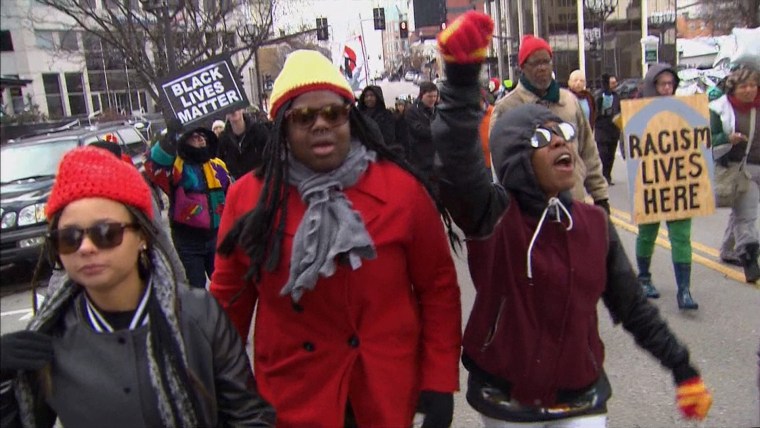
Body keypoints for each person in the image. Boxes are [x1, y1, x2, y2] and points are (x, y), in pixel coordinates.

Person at [432, 12, 713, 427]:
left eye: (564, 135)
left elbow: (633, 307)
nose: (561, 143)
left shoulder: (593, 225)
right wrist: (460, 79)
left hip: (580, 395)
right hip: (506, 395)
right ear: (516, 158)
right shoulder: (492, 217)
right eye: (543, 138)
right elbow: (458, 161)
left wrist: (682, 368)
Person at [209, 49, 462, 427]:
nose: (321, 125)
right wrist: (230, 396)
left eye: (333, 113)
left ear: (351, 118)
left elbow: (438, 288)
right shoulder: (249, 198)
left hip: (383, 389)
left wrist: (439, 380)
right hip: (293, 396)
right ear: (282, 127)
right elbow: (228, 308)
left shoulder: (402, 189)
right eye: (303, 117)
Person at [0, 146, 275, 427]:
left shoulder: (198, 314)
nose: (86, 248)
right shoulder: (51, 335)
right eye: (70, 238)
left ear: (142, 236)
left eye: (106, 233)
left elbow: (249, 415)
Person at [491, 35, 610, 213]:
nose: (542, 68)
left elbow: (588, 151)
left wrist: (600, 196)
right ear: (523, 67)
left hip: (573, 204)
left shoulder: (569, 100)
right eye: (535, 63)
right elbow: (500, 165)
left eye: (546, 62)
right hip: (530, 212)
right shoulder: (507, 108)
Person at [634, 63, 699, 309]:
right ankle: (643, 278)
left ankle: (684, 290)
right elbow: (629, 148)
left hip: (678, 182)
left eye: (671, 83)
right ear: (652, 86)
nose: (667, 88)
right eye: (662, 84)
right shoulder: (636, 113)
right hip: (650, 183)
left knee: (681, 237)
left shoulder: (685, 110)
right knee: (647, 233)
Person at [146, 124, 232, 288]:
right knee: (196, 288)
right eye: (195, 136)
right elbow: (153, 164)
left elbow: (231, 196)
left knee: (224, 285)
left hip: (216, 237)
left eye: (202, 136)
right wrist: (169, 139)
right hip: (188, 241)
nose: (201, 139)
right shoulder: (177, 167)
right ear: (185, 140)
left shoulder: (218, 165)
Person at [709, 66, 760, 283]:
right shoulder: (719, 108)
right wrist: (726, 138)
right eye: (743, 86)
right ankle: (749, 257)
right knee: (747, 215)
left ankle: (728, 250)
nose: (749, 90)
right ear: (733, 88)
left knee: (741, 213)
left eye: (753, 85)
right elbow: (707, 138)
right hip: (740, 169)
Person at [217, 108, 270, 179]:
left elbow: (271, 155)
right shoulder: (222, 140)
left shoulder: (260, 130)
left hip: (262, 179)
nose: (233, 110)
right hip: (238, 183)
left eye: (237, 106)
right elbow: (220, 167)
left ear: (242, 109)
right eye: (229, 108)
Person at [405, 81, 440, 187]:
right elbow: (420, 131)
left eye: (435, 96)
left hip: (437, 160)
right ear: (421, 95)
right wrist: (440, 130)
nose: (432, 99)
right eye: (429, 96)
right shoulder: (412, 111)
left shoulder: (438, 109)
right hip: (420, 160)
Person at [594, 73, 622, 185]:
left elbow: (620, 110)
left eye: (615, 83)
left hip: (613, 130)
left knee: (611, 155)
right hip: (602, 129)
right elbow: (595, 111)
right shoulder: (599, 95)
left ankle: (607, 176)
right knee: (603, 154)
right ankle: (602, 176)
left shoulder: (617, 96)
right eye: (612, 83)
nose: (614, 85)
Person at [357, 85, 398, 152]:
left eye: (372, 95)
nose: (369, 98)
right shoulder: (359, 115)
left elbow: (389, 137)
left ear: (378, 97)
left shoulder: (386, 115)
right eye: (366, 96)